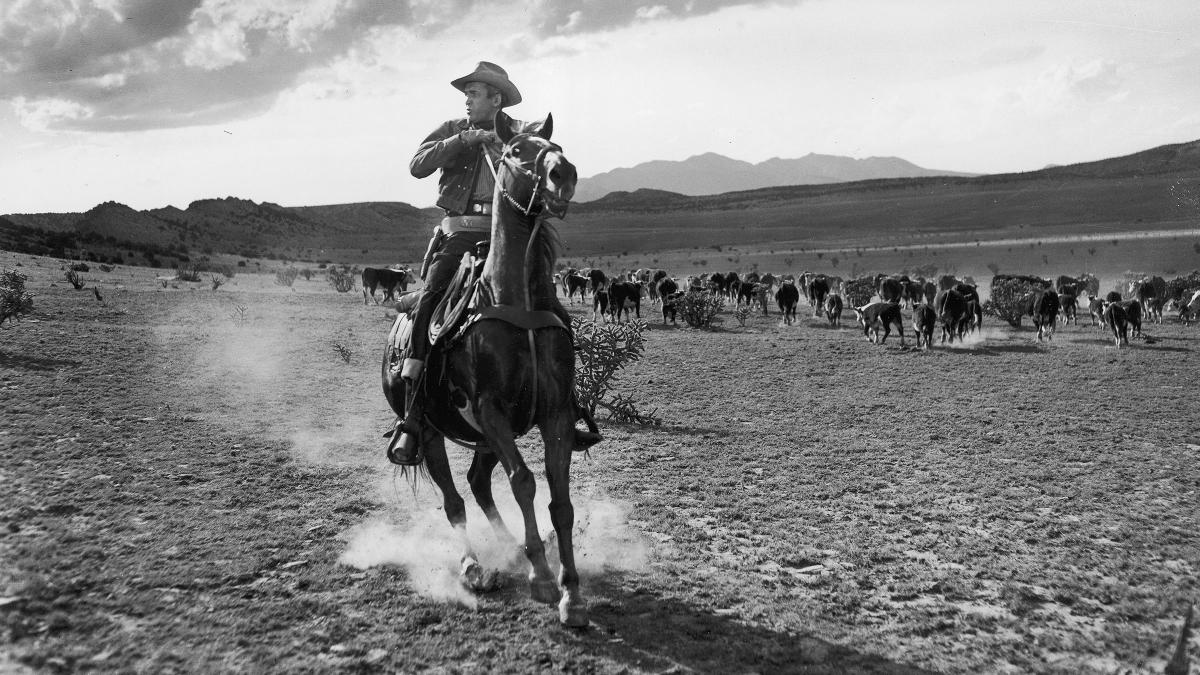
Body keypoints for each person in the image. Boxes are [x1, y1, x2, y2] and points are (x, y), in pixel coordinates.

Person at [390, 61, 572, 465]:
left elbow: (544, 153)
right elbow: (418, 165)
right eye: (467, 94)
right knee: (432, 298)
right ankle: (413, 414)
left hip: (507, 235)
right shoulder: (452, 128)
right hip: (459, 234)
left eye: (474, 93)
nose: (467, 101)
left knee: (552, 307)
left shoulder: (518, 131)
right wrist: (464, 139)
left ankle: (568, 405)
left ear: (496, 98)